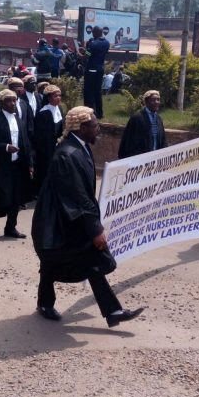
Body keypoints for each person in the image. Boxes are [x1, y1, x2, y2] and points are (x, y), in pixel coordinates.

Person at [31, 106, 144, 327]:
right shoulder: (68, 154)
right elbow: (77, 196)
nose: (97, 129)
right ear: (82, 128)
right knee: (57, 260)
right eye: (94, 125)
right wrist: (95, 229)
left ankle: (112, 311)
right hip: (60, 221)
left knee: (83, 262)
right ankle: (48, 304)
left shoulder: (79, 147)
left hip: (69, 217)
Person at [0, 89, 33, 238]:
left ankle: (10, 228)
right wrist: (5, 147)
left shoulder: (18, 120)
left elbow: (26, 142)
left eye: (14, 100)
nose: (13, 103)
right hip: (1, 166)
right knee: (2, 199)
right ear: (1, 103)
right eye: (9, 100)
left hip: (18, 165)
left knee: (16, 199)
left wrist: (30, 163)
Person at [118, 90, 167, 159]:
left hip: (155, 158)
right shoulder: (137, 118)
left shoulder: (158, 119)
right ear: (146, 102)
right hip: (141, 160)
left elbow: (163, 139)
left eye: (158, 100)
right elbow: (128, 141)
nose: (156, 102)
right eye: (153, 100)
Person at [32, 85, 63, 194]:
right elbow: (41, 136)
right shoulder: (44, 113)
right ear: (49, 98)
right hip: (46, 148)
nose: (58, 98)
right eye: (55, 96)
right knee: (45, 170)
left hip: (57, 146)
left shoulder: (59, 109)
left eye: (59, 95)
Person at [83, 26, 110, 118]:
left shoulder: (93, 43)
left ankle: (90, 114)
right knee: (97, 92)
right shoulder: (107, 43)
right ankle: (100, 113)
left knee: (88, 91)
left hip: (91, 69)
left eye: (93, 33)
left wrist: (81, 52)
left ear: (95, 33)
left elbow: (87, 56)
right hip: (100, 69)